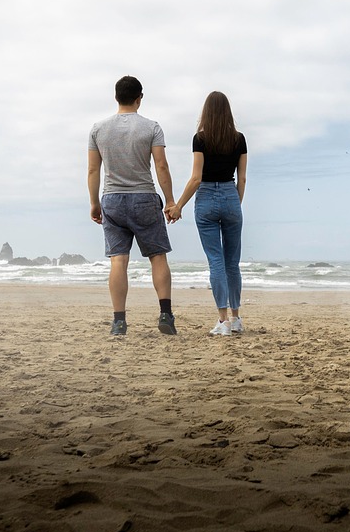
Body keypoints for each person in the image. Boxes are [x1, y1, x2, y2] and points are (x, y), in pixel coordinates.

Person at [88, 75, 178, 336]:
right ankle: (165, 314)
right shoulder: (152, 127)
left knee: (118, 260)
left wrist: (94, 203)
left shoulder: (98, 129)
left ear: (116, 97)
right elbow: (161, 165)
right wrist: (170, 200)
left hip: (112, 199)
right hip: (144, 198)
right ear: (140, 98)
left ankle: (119, 321)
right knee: (157, 256)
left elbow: (93, 170)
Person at [168, 91, 247, 336]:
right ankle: (236, 319)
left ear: (206, 112)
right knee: (232, 263)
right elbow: (242, 178)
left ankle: (222, 321)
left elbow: (196, 177)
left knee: (216, 261)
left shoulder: (200, 139)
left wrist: (178, 206)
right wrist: (235, 203)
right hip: (231, 196)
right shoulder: (239, 139)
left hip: (206, 198)